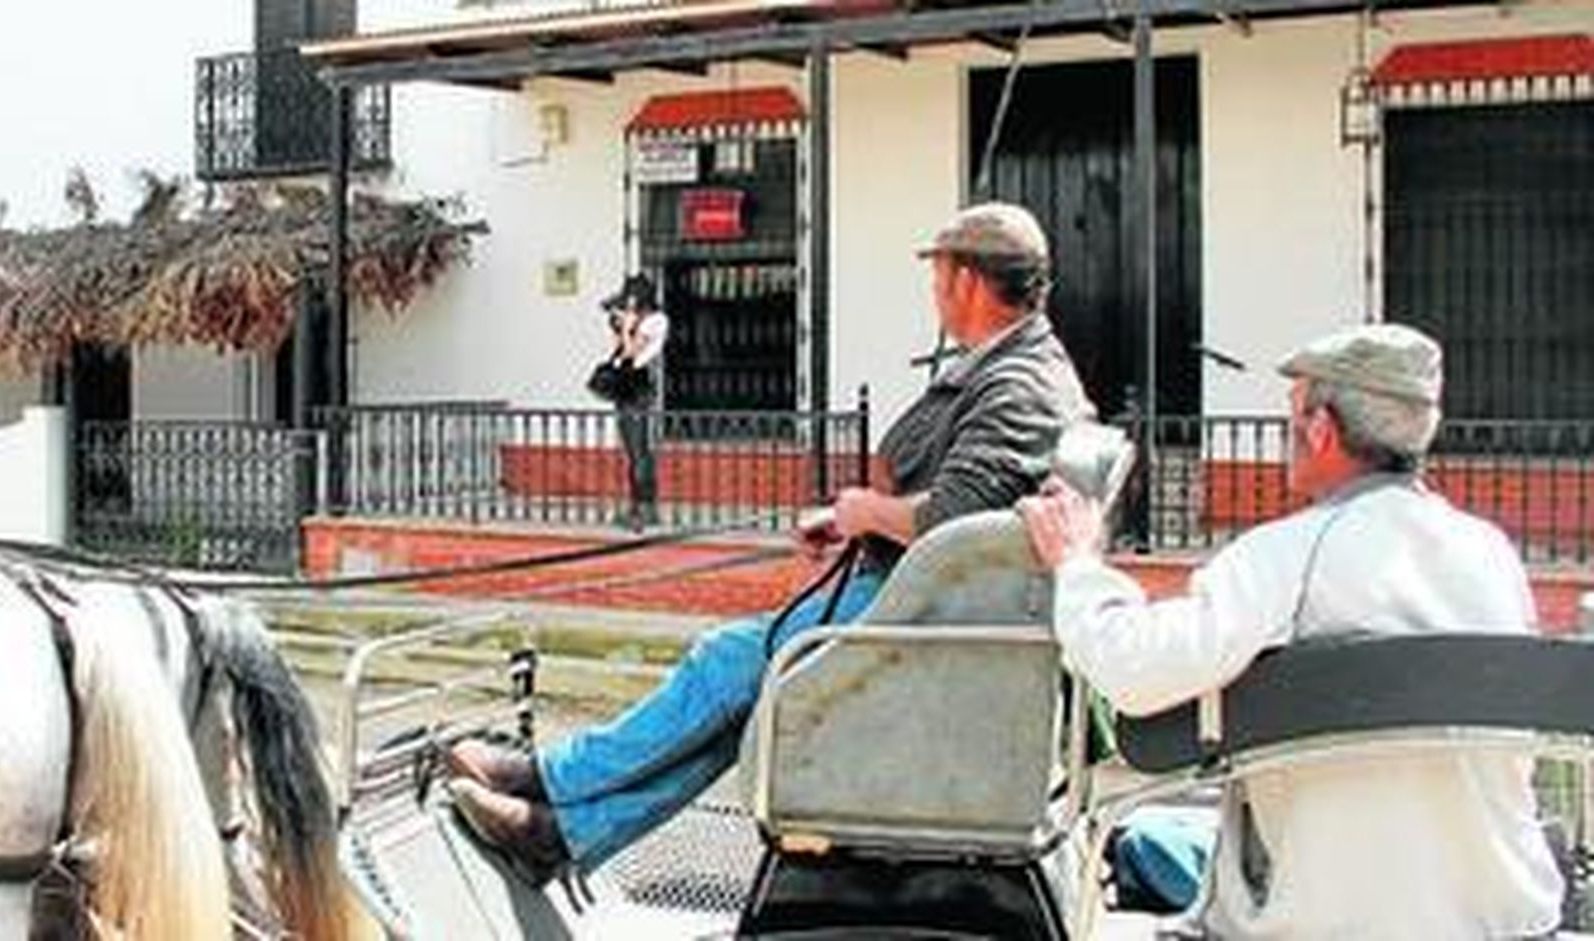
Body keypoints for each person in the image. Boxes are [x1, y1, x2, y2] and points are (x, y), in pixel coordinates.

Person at [447, 202, 1095, 882]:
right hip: (927, 602)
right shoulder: (1014, 364)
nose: (933, 291)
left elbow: (953, 516)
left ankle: (549, 780)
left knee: (726, 660)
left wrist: (867, 510)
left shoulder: (1021, 384)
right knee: (740, 691)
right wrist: (853, 519)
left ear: (967, 280)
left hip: (928, 623)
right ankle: (565, 830)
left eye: (937, 274)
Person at [1019, 323, 1565, 938]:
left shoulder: (1286, 556)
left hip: (1322, 922)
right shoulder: (1490, 553)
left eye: (1291, 416)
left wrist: (1077, 564)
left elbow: (1133, 670)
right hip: (1503, 919)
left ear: (1320, 429)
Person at [602, 273, 669, 531]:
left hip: (638, 386)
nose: (628, 305)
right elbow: (618, 352)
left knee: (640, 451)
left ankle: (646, 508)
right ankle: (635, 507)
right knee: (631, 451)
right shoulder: (638, 320)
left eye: (630, 301)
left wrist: (629, 328)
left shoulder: (656, 321)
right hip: (625, 383)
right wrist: (618, 328)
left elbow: (633, 353)